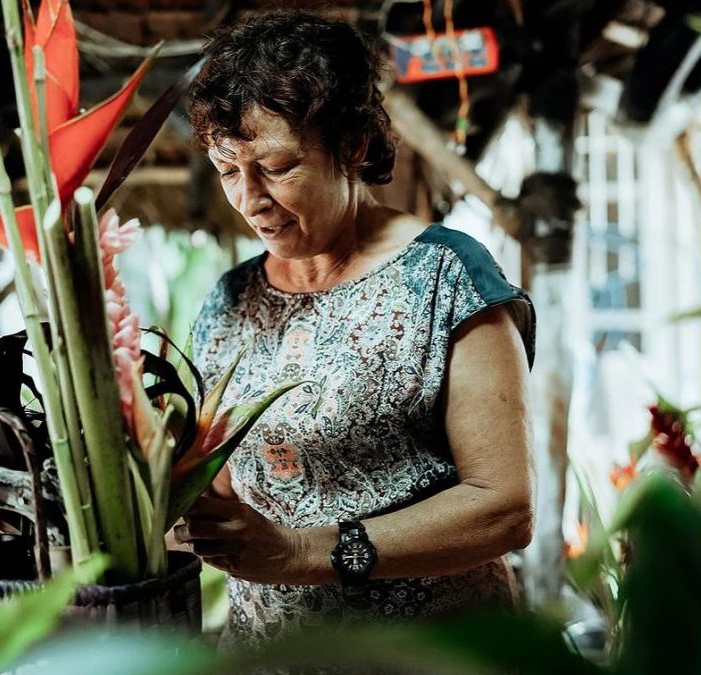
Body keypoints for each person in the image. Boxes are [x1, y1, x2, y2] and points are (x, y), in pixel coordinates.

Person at [175, 10, 536, 658]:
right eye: (228, 169)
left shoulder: (446, 279)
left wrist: (302, 552)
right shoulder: (228, 303)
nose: (250, 197)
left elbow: (504, 507)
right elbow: (221, 499)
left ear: (354, 146)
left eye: (277, 165)